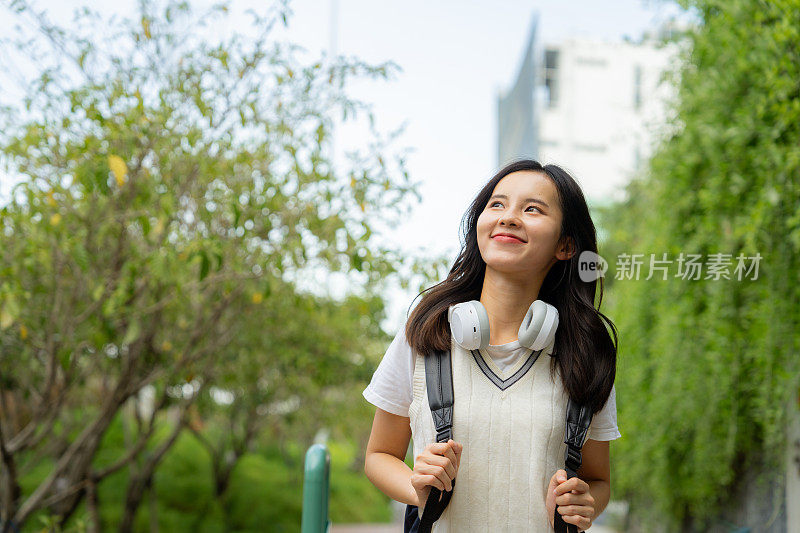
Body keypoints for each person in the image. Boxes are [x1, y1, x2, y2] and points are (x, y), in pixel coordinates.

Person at [362, 159, 620, 532]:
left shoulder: (585, 355)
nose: (509, 217)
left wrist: (584, 504)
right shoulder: (426, 335)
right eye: (497, 205)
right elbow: (379, 455)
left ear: (565, 245)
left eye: (532, 209)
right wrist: (416, 487)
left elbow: (598, 480)